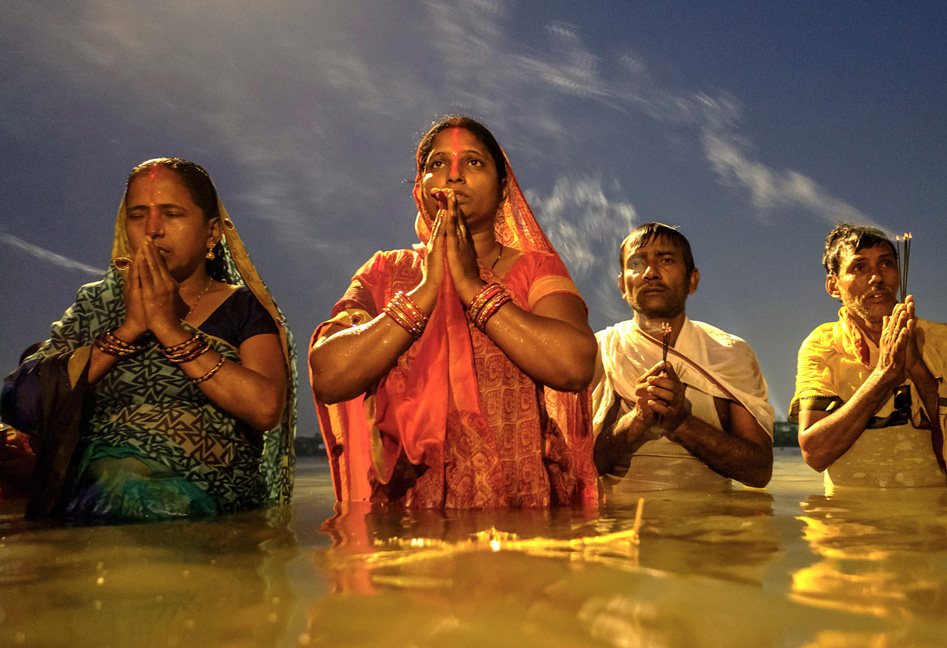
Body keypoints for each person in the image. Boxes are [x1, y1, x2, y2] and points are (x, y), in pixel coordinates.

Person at [309, 116, 597, 508]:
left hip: (520, 510)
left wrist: (472, 289)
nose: (454, 176)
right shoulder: (385, 271)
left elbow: (574, 366)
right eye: (437, 164)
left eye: (474, 163)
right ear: (420, 187)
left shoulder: (534, 270)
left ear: (502, 189)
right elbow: (328, 375)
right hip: (408, 513)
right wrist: (426, 290)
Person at [1, 158, 296, 519]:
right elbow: (22, 404)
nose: (152, 229)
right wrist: (128, 330)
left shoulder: (242, 306)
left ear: (212, 232)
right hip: (95, 489)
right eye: (138, 215)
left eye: (172, 214)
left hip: (207, 499)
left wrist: (171, 331)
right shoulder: (96, 304)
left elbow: (266, 408)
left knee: (133, 491)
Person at [790, 224, 947, 488]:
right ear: (833, 285)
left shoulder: (946, 342)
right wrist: (883, 376)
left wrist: (917, 368)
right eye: (860, 267)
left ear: (898, 274)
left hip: (935, 521)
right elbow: (814, 453)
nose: (877, 277)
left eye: (886, 264)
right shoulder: (823, 345)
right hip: (845, 522)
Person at [591, 223, 774, 488]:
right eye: (637, 262)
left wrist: (682, 423)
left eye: (666, 260)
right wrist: (637, 420)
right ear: (622, 285)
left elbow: (759, 472)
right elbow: (577, 466)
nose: (651, 273)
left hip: (712, 526)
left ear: (692, 280)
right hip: (618, 524)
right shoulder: (598, 351)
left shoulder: (729, 353)